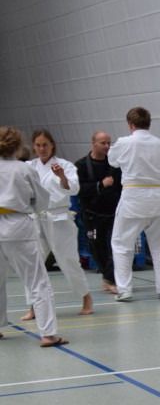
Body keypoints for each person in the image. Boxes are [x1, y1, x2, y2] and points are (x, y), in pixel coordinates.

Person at [0, 126, 68, 347]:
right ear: (18, 146)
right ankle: (48, 334)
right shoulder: (24, 169)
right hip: (18, 226)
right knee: (37, 281)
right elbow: (41, 201)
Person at [23, 130, 93, 318]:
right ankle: (33, 306)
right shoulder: (29, 166)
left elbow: (74, 189)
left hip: (59, 217)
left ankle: (86, 297)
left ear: (52, 145)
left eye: (45, 145)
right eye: (38, 145)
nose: (42, 149)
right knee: (33, 263)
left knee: (68, 260)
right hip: (36, 218)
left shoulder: (65, 165)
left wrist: (62, 176)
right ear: (34, 147)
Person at [107, 106, 160, 302]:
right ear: (148, 123)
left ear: (130, 124)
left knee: (121, 244)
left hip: (134, 198)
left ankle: (125, 289)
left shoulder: (124, 142)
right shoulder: (159, 143)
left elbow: (112, 161)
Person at [76, 130, 122, 295]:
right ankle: (107, 277)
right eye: (103, 143)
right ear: (93, 143)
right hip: (92, 214)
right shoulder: (81, 165)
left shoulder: (114, 165)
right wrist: (100, 185)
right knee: (97, 247)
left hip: (113, 213)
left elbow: (120, 187)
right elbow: (79, 189)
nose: (107, 146)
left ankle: (111, 279)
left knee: (115, 245)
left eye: (109, 143)